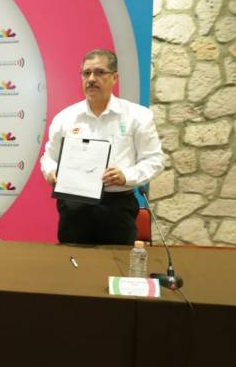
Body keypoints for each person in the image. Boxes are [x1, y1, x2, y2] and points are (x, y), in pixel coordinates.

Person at [40, 49, 165, 245]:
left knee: (116, 263)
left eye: (99, 72)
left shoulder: (137, 116)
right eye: (86, 73)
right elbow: (49, 157)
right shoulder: (65, 118)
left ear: (114, 77)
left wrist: (126, 176)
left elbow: (155, 159)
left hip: (117, 208)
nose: (91, 79)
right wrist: (51, 171)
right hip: (74, 208)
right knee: (72, 262)